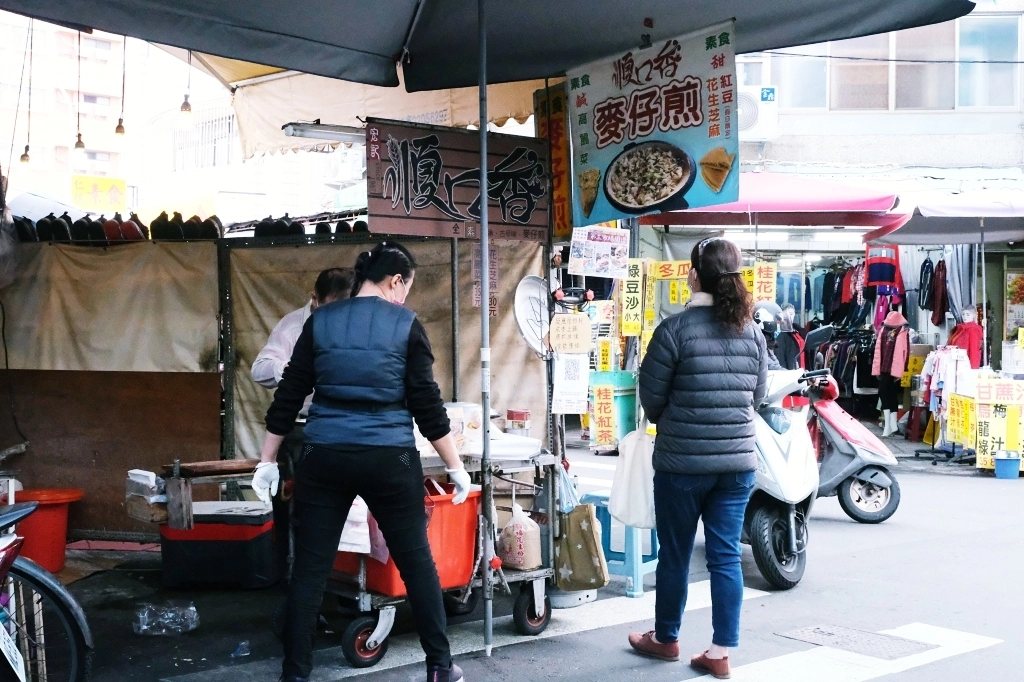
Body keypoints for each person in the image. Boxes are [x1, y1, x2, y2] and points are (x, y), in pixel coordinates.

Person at [253, 241, 471, 682]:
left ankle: (295, 675)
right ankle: (440, 668)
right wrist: (455, 467)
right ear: (395, 281)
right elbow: (426, 405)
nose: (404, 297)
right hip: (389, 458)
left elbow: (289, 393)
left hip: (324, 454)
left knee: (310, 569)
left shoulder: (320, 322)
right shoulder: (406, 325)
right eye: (405, 288)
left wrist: (267, 459)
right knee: (416, 563)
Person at [629, 237, 768, 680]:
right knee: (725, 556)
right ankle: (721, 652)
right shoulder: (753, 332)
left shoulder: (673, 331)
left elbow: (651, 399)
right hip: (736, 466)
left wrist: (680, 422)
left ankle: (666, 638)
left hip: (682, 466)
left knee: (675, 554)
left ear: (693, 275)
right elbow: (758, 396)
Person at [251, 268, 354, 572]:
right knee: (295, 506)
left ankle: (340, 570)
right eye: (329, 306)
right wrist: (293, 371)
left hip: (340, 427)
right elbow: (260, 370)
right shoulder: (294, 325)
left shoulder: (354, 323)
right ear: (314, 299)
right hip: (300, 429)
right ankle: (289, 569)